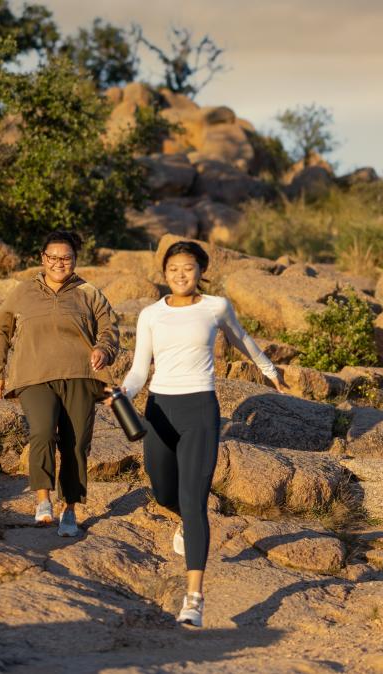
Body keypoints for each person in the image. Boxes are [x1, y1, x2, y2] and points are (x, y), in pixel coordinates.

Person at [114, 240, 287, 628]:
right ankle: (184, 520)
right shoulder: (150, 315)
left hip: (200, 411)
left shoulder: (216, 307)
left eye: (188, 268)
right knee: (162, 491)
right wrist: (125, 391)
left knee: (195, 502)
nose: (180, 274)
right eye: (173, 268)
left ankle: (194, 597)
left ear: (200, 271)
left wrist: (268, 369)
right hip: (159, 408)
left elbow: (242, 338)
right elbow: (141, 367)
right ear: (164, 273)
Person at [0, 230, 118, 537]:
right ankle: (43, 499)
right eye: (53, 257)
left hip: (82, 377)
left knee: (77, 444)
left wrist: (103, 350)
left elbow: (109, 330)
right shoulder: (23, 292)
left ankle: (69, 509)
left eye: (66, 258)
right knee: (43, 431)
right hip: (35, 376)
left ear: (75, 260)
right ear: (42, 259)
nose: (59, 263)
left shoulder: (88, 292)